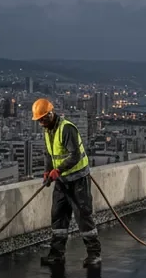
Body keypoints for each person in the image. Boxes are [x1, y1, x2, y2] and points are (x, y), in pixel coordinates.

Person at [32, 98, 102, 267]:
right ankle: (56, 254)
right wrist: (48, 171)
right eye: (39, 120)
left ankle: (94, 254)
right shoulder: (48, 131)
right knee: (58, 217)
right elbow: (50, 155)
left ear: (51, 114)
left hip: (78, 180)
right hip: (62, 181)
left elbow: (75, 156)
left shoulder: (66, 129)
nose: (41, 123)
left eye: (43, 118)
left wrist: (59, 170)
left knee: (83, 216)